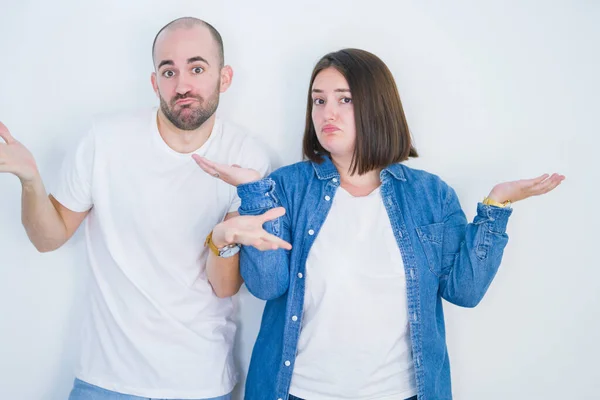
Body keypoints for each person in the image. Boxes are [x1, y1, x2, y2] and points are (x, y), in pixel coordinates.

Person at [196, 48, 565, 400]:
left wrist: (496, 208)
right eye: (318, 100)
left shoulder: (430, 195)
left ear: (377, 106)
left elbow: (464, 292)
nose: (327, 113)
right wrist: (254, 193)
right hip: (297, 391)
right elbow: (266, 286)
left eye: (345, 99)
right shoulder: (287, 186)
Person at [0, 17, 278, 400]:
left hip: (198, 384)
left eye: (197, 69)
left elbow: (224, 285)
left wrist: (222, 237)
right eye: (169, 71)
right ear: (154, 82)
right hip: (105, 382)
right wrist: (30, 179)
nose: (182, 85)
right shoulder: (105, 140)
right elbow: (48, 238)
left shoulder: (246, 156)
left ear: (224, 77)